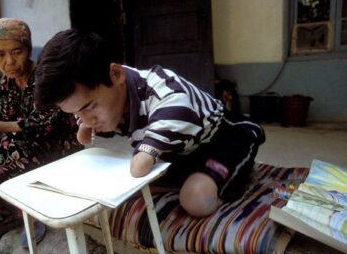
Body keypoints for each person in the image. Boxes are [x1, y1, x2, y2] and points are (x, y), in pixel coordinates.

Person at [34, 30, 265, 218]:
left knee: (195, 200)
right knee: (126, 192)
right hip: (180, 147)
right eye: (75, 113)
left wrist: (142, 157)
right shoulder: (112, 91)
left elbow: (139, 167)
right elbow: (84, 129)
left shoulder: (170, 99)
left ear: (116, 74)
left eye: (88, 108)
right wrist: (85, 121)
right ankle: (185, 178)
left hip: (225, 136)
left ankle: (232, 178)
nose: (85, 119)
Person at [0, 19, 83, 247]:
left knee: (10, 148)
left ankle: (34, 215)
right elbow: (6, 123)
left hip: (59, 145)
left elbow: (40, 125)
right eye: (0, 54)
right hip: (26, 143)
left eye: (17, 51)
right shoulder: (2, 84)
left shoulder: (46, 77)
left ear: (28, 48)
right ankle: (3, 219)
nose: (9, 61)